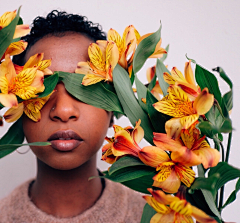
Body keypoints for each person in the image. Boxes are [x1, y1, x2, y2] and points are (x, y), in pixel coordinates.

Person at [0, 10, 145, 223]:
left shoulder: (155, 217)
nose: (63, 111)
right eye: (43, 88)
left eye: (84, 87)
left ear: (115, 107)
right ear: (16, 107)